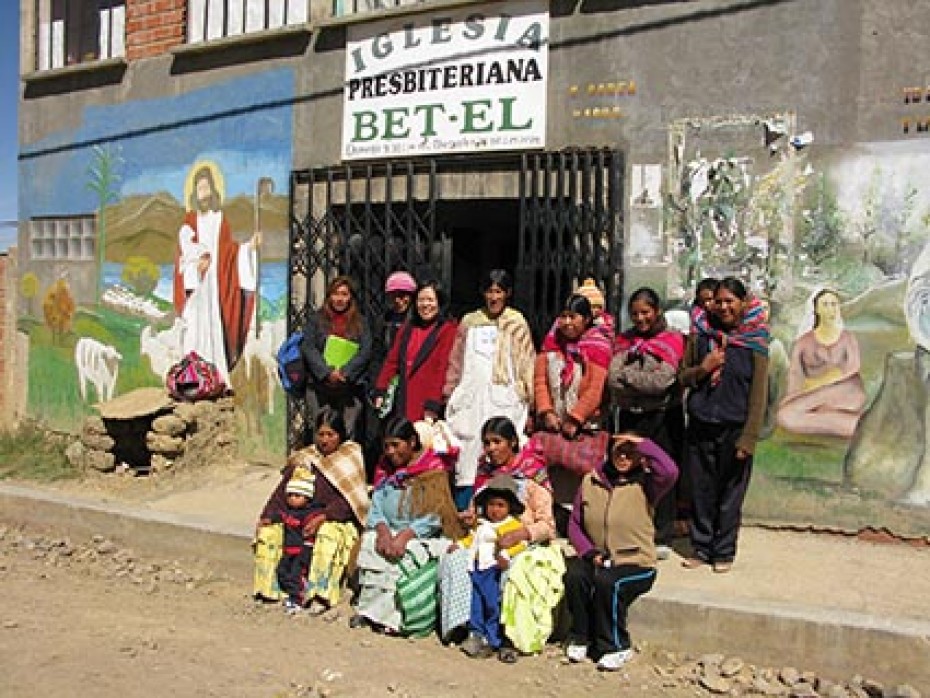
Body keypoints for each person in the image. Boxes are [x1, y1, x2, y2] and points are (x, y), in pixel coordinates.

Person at [438, 417, 557, 650]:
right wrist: (471, 519)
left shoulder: (533, 471)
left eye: (497, 442)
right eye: (487, 443)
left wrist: (521, 534)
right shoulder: (485, 470)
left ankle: (508, 636)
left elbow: (547, 525)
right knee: (455, 560)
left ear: (512, 442)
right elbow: (476, 510)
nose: (491, 449)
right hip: (486, 538)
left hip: (524, 542)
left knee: (515, 571)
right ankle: (465, 627)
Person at [563, 434, 678, 671]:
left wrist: (644, 444)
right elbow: (574, 524)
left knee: (610, 584)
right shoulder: (591, 481)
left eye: (631, 452)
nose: (624, 457)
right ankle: (580, 636)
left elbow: (670, 471)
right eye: (619, 451)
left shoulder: (647, 484)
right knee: (575, 576)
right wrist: (589, 552)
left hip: (636, 562)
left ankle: (615, 645)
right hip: (598, 557)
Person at [679, 277, 769, 573]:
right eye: (719, 301)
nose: (724, 307)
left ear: (743, 303)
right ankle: (701, 547)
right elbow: (683, 377)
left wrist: (749, 439)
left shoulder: (755, 341)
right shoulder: (701, 335)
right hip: (702, 423)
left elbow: (758, 395)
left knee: (730, 494)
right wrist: (703, 369)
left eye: (730, 301)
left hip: (735, 428)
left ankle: (724, 551)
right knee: (701, 491)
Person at [353, 416, 463, 636]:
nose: (391, 452)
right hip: (390, 532)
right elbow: (376, 506)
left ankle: (395, 620)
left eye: (396, 445)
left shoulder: (432, 470)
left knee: (404, 559)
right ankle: (369, 612)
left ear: (412, 442)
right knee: (370, 545)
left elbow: (436, 513)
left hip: (421, 536)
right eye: (387, 447)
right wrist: (383, 532)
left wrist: (405, 536)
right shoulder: (386, 471)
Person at [253, 407, 369, 612]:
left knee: (327, 535)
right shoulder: (306, 459)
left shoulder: (349, 457)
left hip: (335, 520)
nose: (325, 440)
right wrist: (267, 516)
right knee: (269, 533)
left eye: (330, 435)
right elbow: (283, 493)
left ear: (340, 436)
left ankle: (320, 594)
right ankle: (270, 590)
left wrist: (324, 516)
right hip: (299, 517)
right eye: (321, 434)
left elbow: (351, 502)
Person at [443, 270, 536, 508]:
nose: (493, 297)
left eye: (498, 292)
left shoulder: (517, 323)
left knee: (501, 449)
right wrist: (450, 391)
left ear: (507, 294)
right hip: (472, 399)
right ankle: (466, 508)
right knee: (468, 455)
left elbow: (527, 363)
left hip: (505, 399)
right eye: (489, 291)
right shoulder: (469, 322)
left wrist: (531, 402)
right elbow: (456, 360)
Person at [173, 162, 261, 386]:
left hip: (215, 285)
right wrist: (195, 263)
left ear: (213, 191)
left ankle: (214, 375)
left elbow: (230, 251)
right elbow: (184, 249)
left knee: (213, 327)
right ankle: (190, 376)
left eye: (206, 188)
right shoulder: (190, 221)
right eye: (199, 189)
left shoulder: (219, 220)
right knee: (193, 327)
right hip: (198, 283)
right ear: (194, 192)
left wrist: (249, 247)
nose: (203, 193)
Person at [452, 474, 527, 662]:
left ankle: (494, 639)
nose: (495, 510)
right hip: (477, 568)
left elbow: (521, 544)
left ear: (510, 507)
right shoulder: (482, 524)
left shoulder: (511, 525)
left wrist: (505, 554)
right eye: (491, 505)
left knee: (492, 605)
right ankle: (476, 633)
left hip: (492, 570)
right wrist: (460, 545)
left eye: (500, 505)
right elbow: (472, 539)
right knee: (476, 603)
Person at [776, 288, 866, 438]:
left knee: (793, 413)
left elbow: (853, 367)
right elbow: (795, 374)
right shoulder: (803, 342)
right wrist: (794, 397)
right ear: (816, 309)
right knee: (785, 415)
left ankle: (822, 417)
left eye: (834, 304)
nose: (831, 309)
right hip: (812, 394)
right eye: (825, 304)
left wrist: (824, 380)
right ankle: (851, 424)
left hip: (845, 392)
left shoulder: (847, 337)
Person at [373, 279, 457, 423]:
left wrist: (433, 404)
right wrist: (381, 389)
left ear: (439, 302)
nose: (425, 305)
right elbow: (392, 361)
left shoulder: (448, 330)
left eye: (430, 300)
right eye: (421, 300)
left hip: (427, 401)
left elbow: (442, 368)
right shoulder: (407, 328)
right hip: (404, 397)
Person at [301, 276, 372, 441]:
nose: (339, 299)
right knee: (322, 430)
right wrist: (327, 372)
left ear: (350, 297)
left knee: (347, 431)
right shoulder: (316, 320)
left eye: (344, 294)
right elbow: (308, 347)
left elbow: (365, 351)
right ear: (329, 296)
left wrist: (345, 373)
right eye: (335, 294)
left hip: (349, 387)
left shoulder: (361, 323)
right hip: (320, 386)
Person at [535, 293, 612, 441]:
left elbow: (596, 389)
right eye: (563, 317)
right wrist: (546, 411)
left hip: (586, 428)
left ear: (587, 319)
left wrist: (575, 419)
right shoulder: (551, 343)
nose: (567, 322)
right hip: (553, 426)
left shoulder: (598, 347)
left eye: (572, 317)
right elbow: (540, 382)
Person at [269, 475, 324, 614]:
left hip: (301, 552)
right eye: (290, 495)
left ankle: (298, 600)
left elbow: (309, 535)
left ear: (307, 498)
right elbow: (278, 516)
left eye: (297, 495)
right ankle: (290, 594)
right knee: (282, 572)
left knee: (296, 576)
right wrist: (268, 519)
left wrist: (306, 551)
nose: (293, 498)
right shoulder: (288, 512)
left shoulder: (309, 515)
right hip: (288, 550)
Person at [382, 271, 417, 350]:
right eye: (393, 295)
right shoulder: (385, 318)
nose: (397, 300)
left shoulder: (417, 319)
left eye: (402, 295)